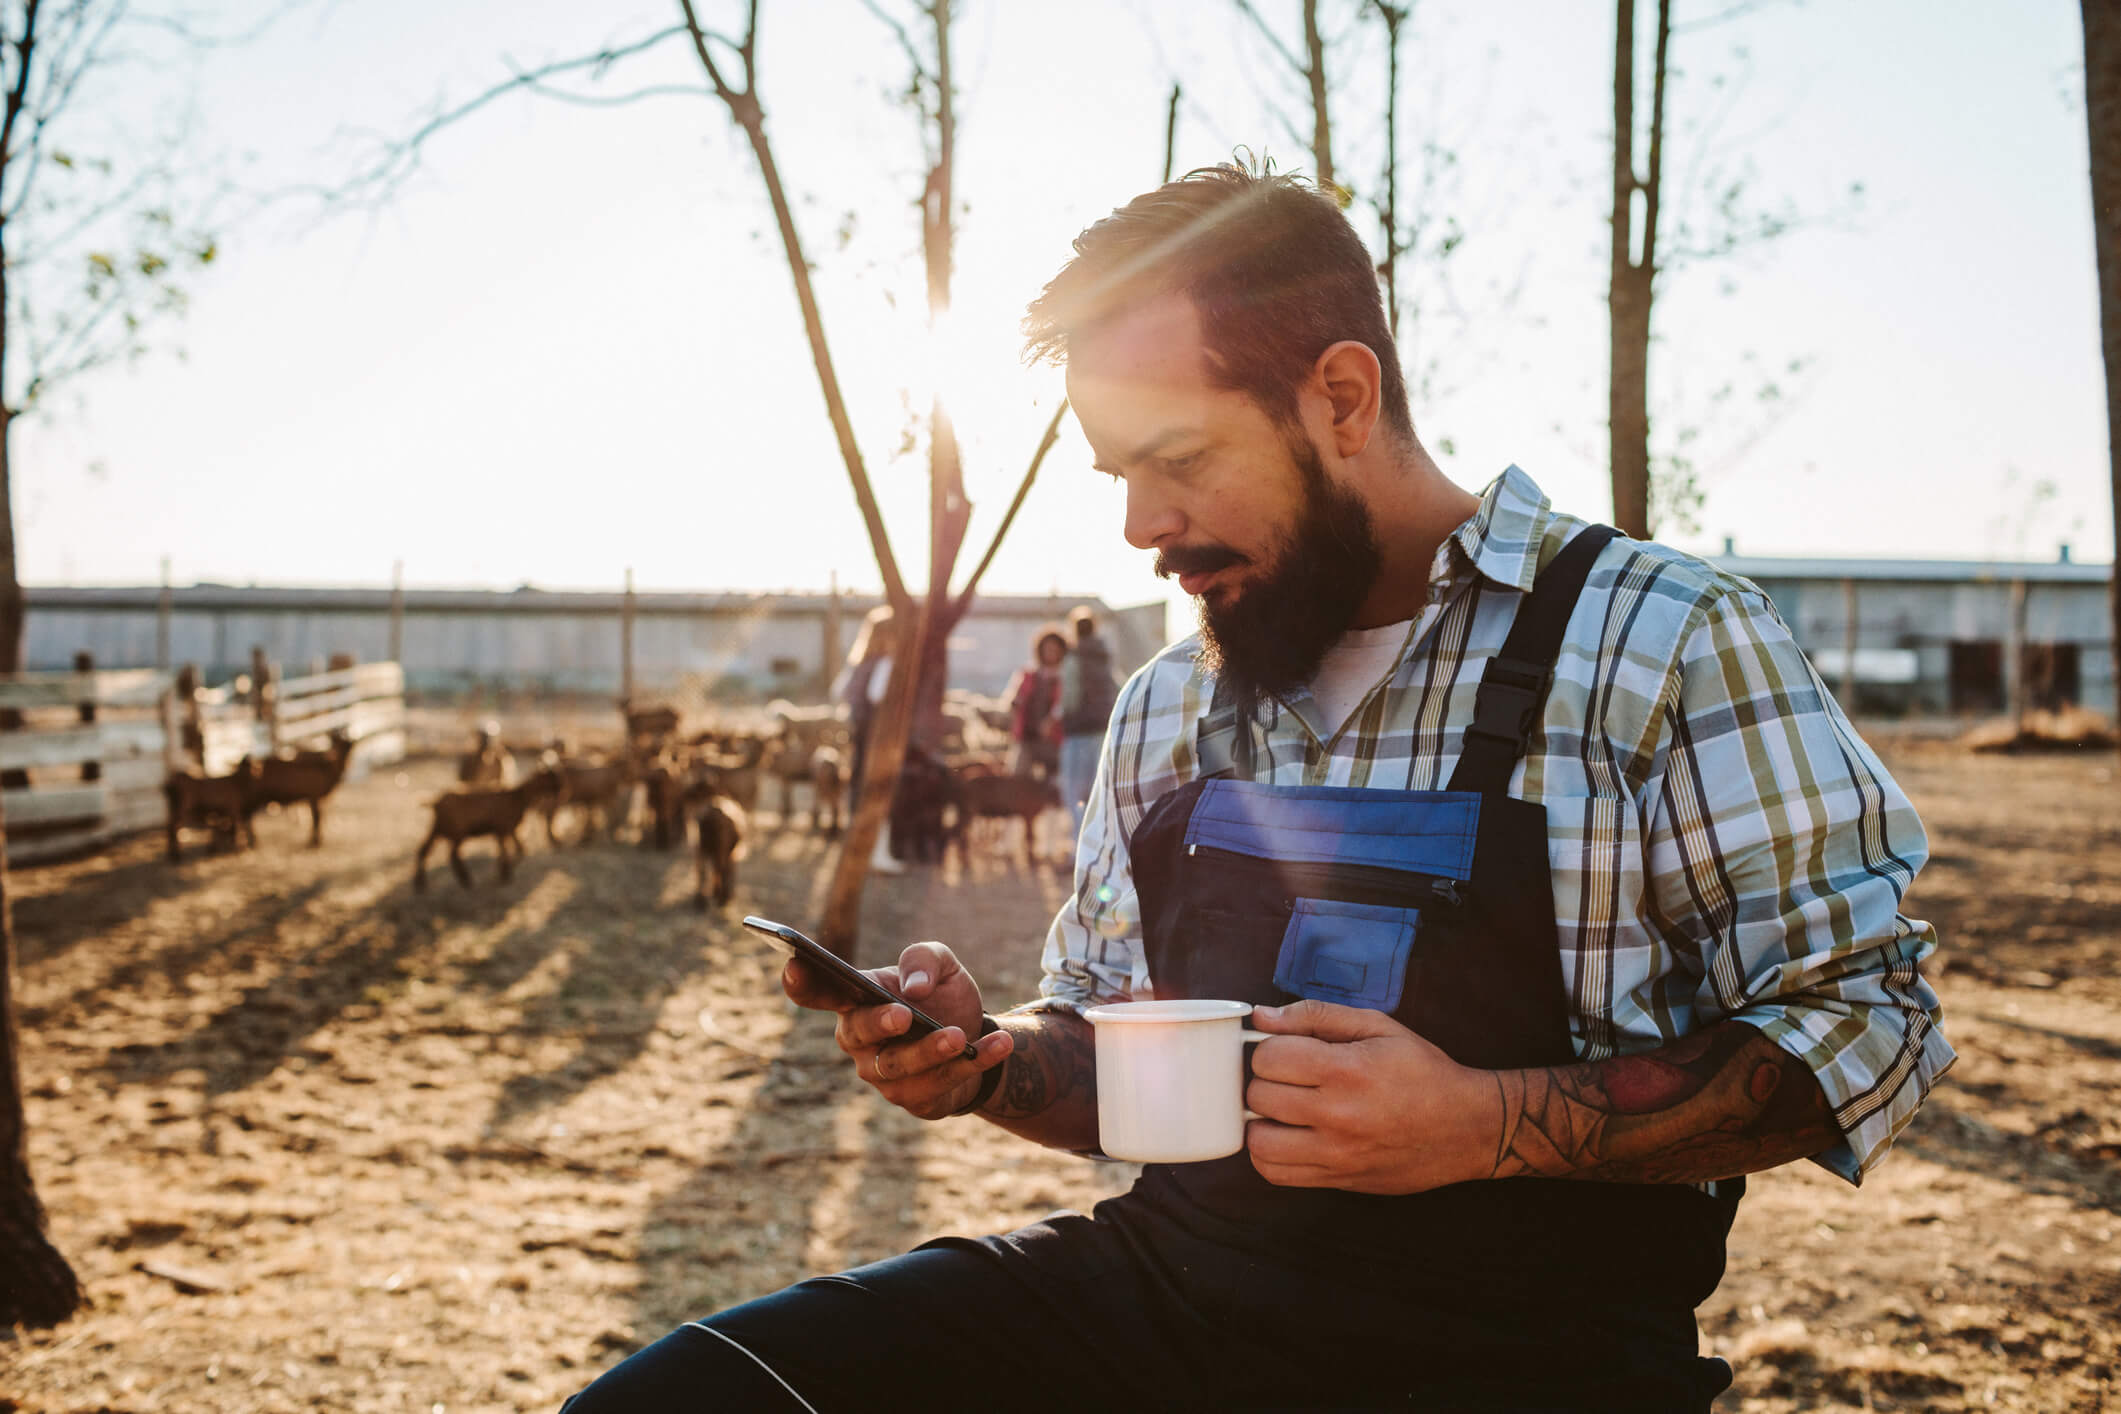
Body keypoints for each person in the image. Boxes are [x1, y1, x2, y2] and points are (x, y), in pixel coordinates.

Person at [564, 163, 1952, 1412]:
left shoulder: (1665, 639)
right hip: (1162, 1304)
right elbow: (1112, 1056)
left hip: (1534, 1363)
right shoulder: (1170, 700)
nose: (1140, 525)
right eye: (1119, 474)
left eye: (1177, 460)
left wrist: (1483, 1122)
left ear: (1340, 397)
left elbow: (1865, 1024)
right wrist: (984, 1059)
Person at [832, 605, 903, 876]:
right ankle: (878, 853)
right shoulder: (886, 663)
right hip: (877, 736)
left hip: (859, 733)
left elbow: (839, 691)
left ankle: (858, 848)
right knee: (880, 788)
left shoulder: (860, 662)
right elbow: (877, 695)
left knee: (860, 786)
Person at [1055, 605, 1119, 838]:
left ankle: (1080, 845)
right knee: (1098, 791)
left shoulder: (1073, 658)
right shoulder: (1104, 656)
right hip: (1103, 730)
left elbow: (1070, 699)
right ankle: (1101, 841)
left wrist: (1057, 716)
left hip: (1078, 732)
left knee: (1075, 793)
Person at [1003, 623, 1067, 781]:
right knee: (1019, 777)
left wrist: (1050, 722)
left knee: (1053, 781)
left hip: (1054, 740)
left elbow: (1063, 705)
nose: (1051, 653)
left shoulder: (1065, 678)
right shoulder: (1029, 674)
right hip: (1027, 737)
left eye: (1055, 649)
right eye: (1047, 649)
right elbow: (1015, 699)